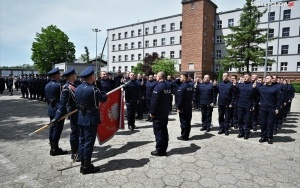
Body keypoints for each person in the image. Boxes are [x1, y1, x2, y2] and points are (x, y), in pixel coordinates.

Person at [75, 66, 107, 174]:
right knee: (89, 143)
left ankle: (83, 164)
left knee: (82, 141)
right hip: (90, 118)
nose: (95, 77)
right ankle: (86, 167)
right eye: (94, 75)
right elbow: (103, 98)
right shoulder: (93, 89)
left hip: (81, 117)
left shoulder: (78, 87)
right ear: (91, 77)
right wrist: (99, 87)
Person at [51, 67, 80, 162]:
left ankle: (79, 150)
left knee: (79, 133)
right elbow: (62, 104)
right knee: (75, 133)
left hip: (79, 112)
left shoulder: (75, 85)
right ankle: (74, 153)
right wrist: (56, 117)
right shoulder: (66, 88)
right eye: (75, 74)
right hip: (74, 113)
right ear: (71, 76)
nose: (76, 75)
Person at [45, 67, 68, 156]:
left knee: (52, 128)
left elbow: (47, 98)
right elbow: (62, 100)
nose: (60, 75)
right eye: (59, 74)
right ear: (55, 75)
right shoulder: (59, 85)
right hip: (58, 110)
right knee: (57, 130)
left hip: (51, 108)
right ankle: (55, 149)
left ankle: (53, 147)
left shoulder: (47, 85)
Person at [149, 72, 171, 156]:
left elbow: (154, 101)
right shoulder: (168, 85)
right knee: (164, 130)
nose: (155, 78)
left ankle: (159, 150)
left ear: (159, 77)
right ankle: (164, 148)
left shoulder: (158, 87)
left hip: (158, 113)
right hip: (165, 112)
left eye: (156, 76)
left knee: (158, 132)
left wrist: (152, 113)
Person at [257, 76, 281, 144]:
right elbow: (254, 94)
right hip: (263, 108)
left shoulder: (275, 89)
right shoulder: (261, 88)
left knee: (270, 124)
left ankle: (269, 137)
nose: (265, 79)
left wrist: (277, 108)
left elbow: (278, 99)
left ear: (271, 80)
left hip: (271, 108)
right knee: (263, 123)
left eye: (267, 78)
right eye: (265, 78)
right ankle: (263, 137)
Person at [235, 73, 256, 139]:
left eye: (247, 76)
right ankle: (241, 132)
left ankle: (247, 133)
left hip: (248, 105)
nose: (245, 78)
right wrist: (234, 86)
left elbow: (254, 97)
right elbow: (235, 93)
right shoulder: (239, 85)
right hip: (240, 105)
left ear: (250, 77)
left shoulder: (252, 85)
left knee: (247, 120)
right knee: (240, 119)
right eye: (244, 77)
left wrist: (254, 89)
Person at [177, 74, 193, 141]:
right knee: (188, 121)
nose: (179, 78)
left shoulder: (183, 87)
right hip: (188, 106)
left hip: (183, 107)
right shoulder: (190, 86)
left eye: (180, 77)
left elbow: (180, 98)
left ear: (184, 78)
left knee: (183, 121)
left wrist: (179, 107)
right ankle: (186, 134)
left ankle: (184, 136)